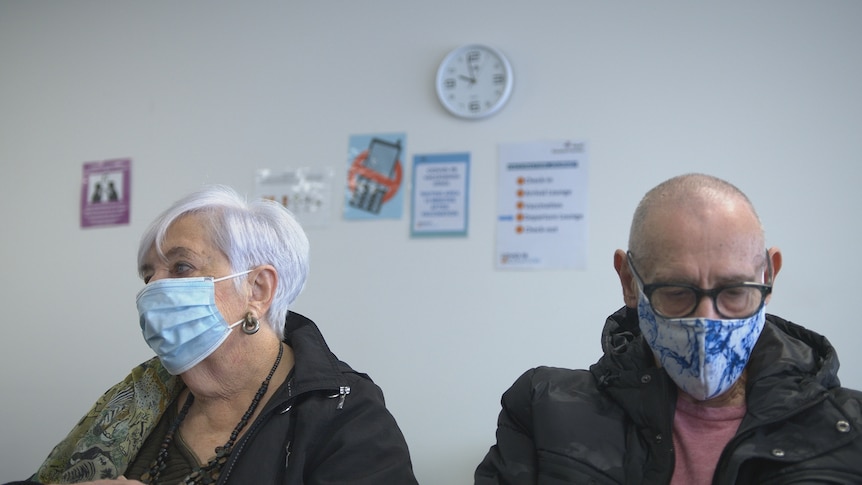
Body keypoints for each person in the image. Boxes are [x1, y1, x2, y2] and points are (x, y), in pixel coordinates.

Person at [6, 185, 418, 485]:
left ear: (257, 290)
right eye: (148, 275)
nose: (152, 289)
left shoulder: (345, 415)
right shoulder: (140, 394)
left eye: (181, 268)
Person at [475, 173, 862, 484]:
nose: (708, 320)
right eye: (676, 292)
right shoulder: (545, 411)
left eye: (734, 291)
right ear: (630, 281)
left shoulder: (851, 430)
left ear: (769, 276)